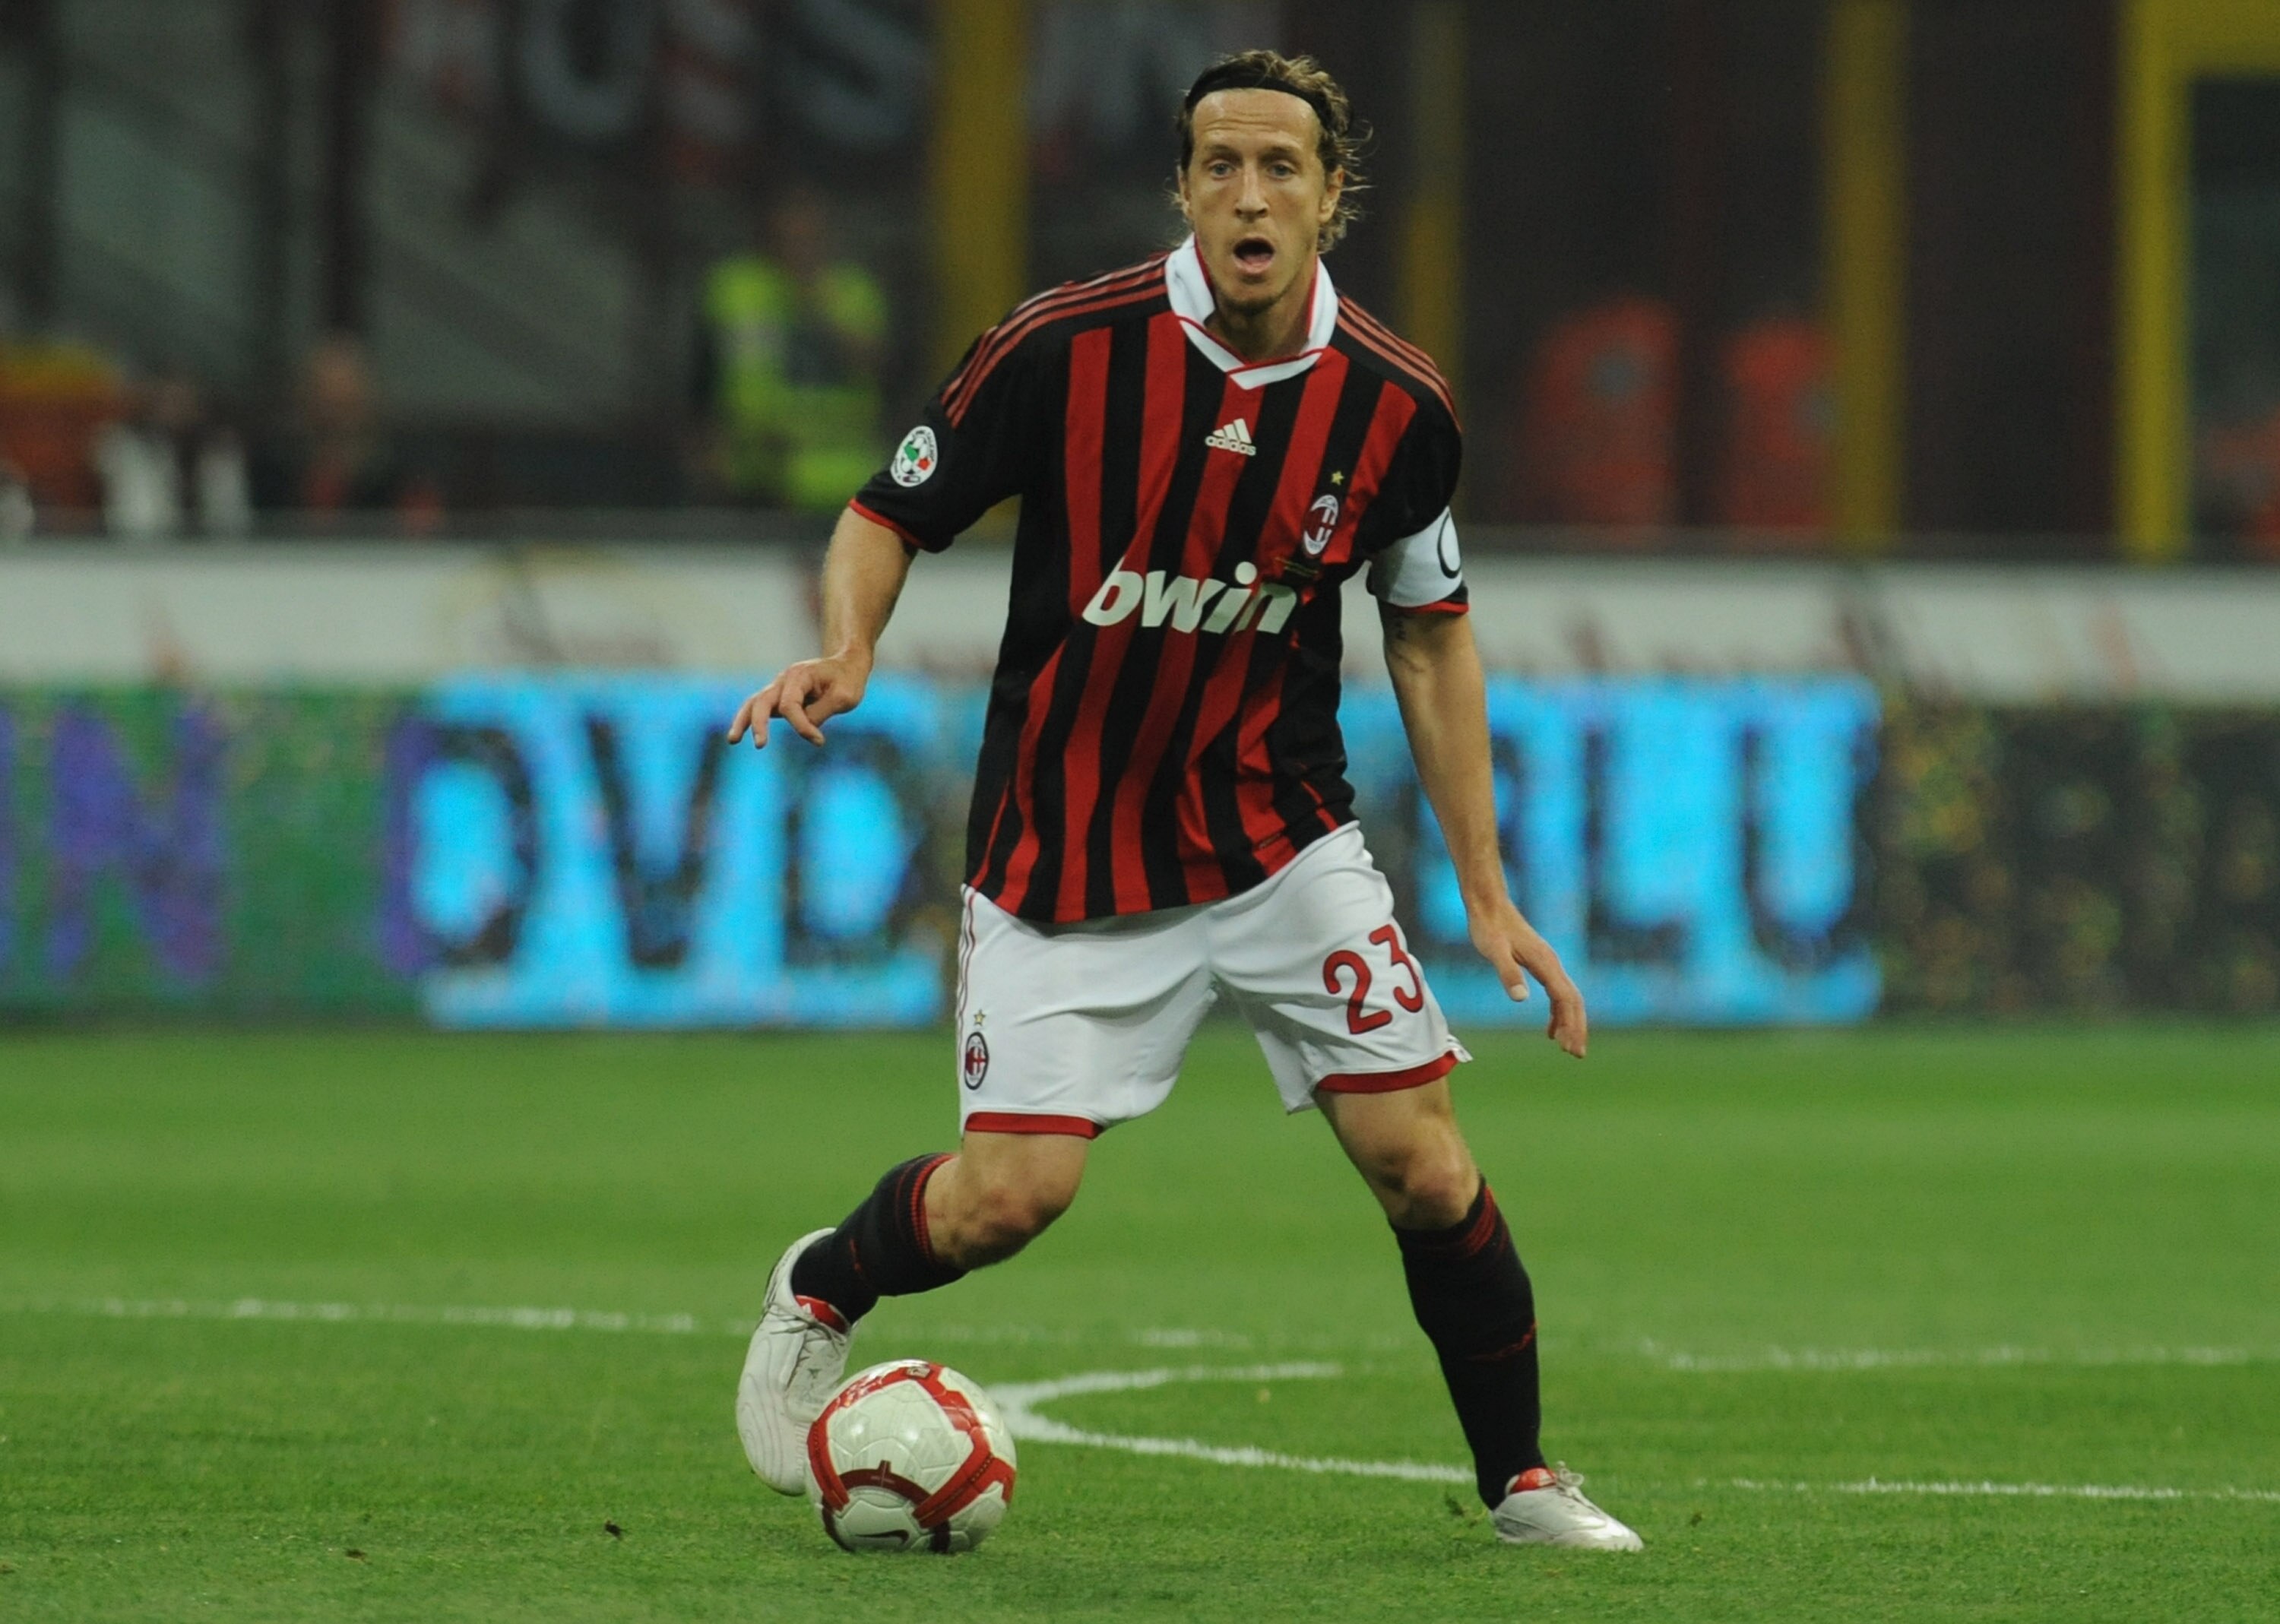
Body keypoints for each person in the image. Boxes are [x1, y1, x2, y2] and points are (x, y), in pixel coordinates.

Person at [725, 50, 1642, 1553]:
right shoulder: (1064, 349)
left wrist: (1485, 888)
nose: (1250, 193)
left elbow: (1430, 630)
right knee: (1009, 1199)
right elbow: (890, 509)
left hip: (1281, 841)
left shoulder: (1398, 406)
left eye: (1282, 166)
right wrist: (850, 647)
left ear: (1334, 197)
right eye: (1220, 164)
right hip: (1065, 847)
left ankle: (1524, 1479)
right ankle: (827, 1277)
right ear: (1186, 190)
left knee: (1423, 1157)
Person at [692, 187, 890, 511]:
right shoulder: (738, 290)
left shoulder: (854, 292)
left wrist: (819, 307)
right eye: (789, 238)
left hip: (843, 476)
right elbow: (704, 379)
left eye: (809, 238)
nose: (799, 249)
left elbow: (879, 367)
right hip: (756, 474)